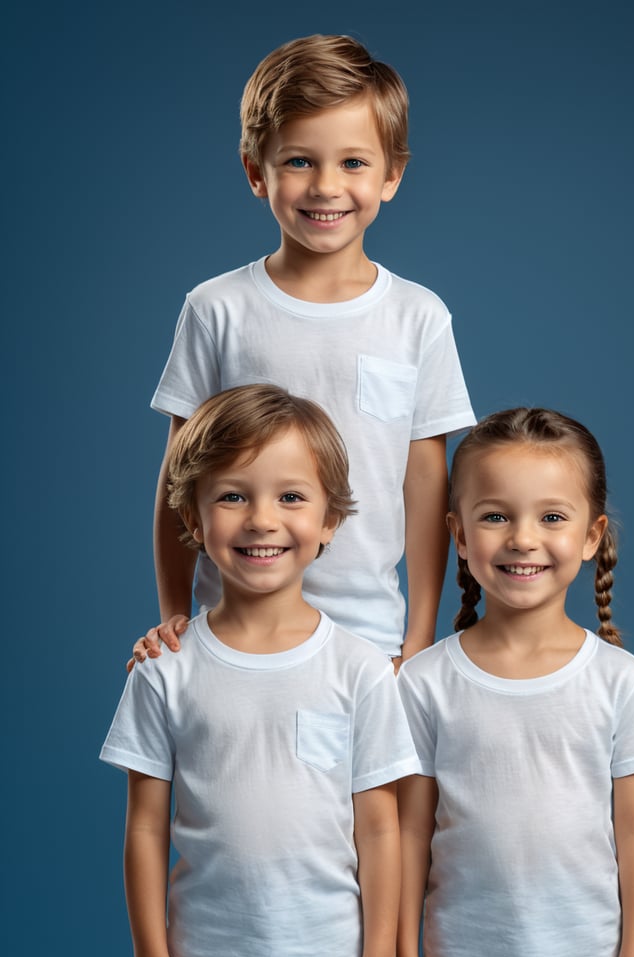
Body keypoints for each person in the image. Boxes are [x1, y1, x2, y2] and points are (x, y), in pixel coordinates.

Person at [138, 33, 474, 671]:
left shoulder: (418, 317)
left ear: (392, 174)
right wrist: (173, 615)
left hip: (371, 639)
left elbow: (426, 484)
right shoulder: (217, 309)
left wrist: (419, 636)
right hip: (231, 631)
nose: (326, 186)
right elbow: (179, 479)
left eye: (353, 163)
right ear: (255, 172)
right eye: (298, 161)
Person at [101, 383, 421, 957]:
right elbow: (144, 829)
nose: (261, 519)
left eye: (291, 497)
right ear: (192, 518)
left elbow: (381, 830)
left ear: (331, 519)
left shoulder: (362, 672)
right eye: (231, 496)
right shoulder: (163, 672)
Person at [395, 407, 634, 957]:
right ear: (460, 535)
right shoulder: (424, 682)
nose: (523, 538)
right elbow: (409, 833)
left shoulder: (621, 682)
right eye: (495, 516)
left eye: (551, 517)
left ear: (591, 536)